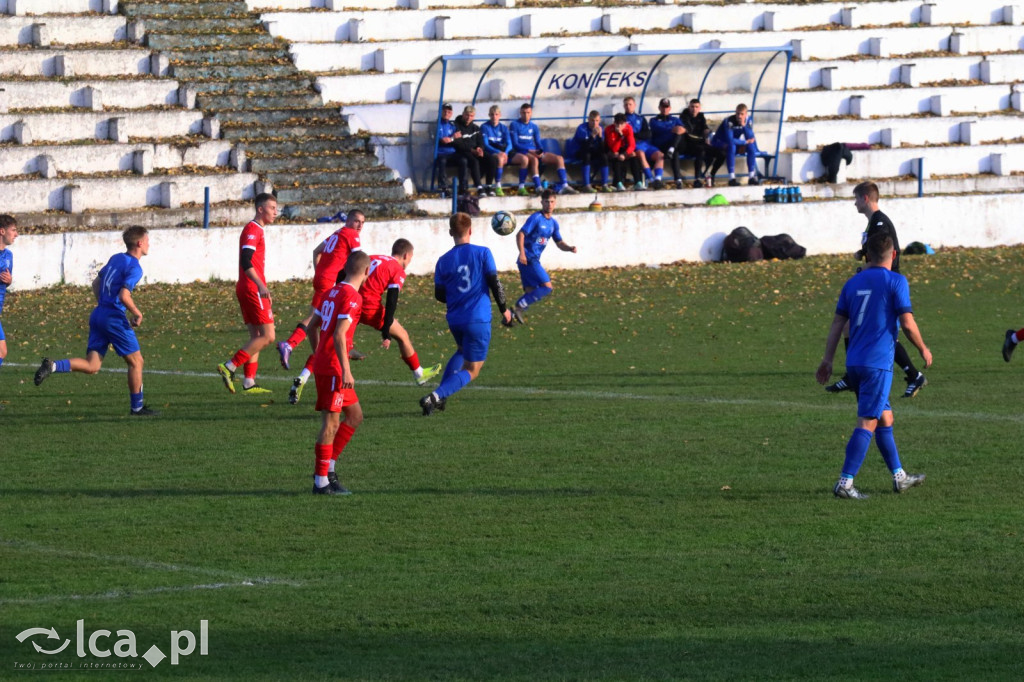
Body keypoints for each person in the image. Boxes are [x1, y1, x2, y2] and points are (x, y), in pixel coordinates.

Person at [816, 232, 932, 499]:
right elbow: (907, 322)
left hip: (855, 362)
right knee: (867, 422)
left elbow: (837, 324)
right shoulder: (896, 281)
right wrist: (923, 348)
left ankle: (899, 477)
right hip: (877, 365)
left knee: (884, 417)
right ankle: (845, 483)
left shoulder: (853, 282)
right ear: (893, 254)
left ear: (867, 255)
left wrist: (827, 360)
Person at [34, 226, 158, 416]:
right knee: (136, 362)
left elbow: (96, 283)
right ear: (140, 243)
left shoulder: (116, 258)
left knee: (92, 366)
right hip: (114, 318)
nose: (150, 244)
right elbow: (124, 295)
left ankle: (53, 366)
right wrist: (137, 313)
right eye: (148, 240)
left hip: (98, 314)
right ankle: (137, 408)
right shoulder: (134, 267)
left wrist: (103, 304)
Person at [825, 182, 927, 398]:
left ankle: (913, 374)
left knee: (883, 333)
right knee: (850, 326)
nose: (854, 204)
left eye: (855, 199)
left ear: (865, 199)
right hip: (877, 281)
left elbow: (884, 255)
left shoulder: (879, 223)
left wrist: (864, 269)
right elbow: (875, 250)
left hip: (884, 284)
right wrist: (861, 254)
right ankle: (853, 376)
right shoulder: (874, 223)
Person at [419, 212, 513, 416]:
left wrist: (456, 297)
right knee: (472, 369)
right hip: (477, 318)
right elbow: (494, 282)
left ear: (451, 232)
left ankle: (441, 397)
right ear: (470, 230)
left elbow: (439, 294)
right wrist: (504, 308)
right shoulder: (483, 253)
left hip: (455, 319)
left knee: (462, 350)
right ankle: (434, 397)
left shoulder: (443, 261)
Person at [278, 210, 366, 404]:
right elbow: (357, 260)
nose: (359, 226)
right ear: (348, 220)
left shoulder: (337, 234)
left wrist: (322, 273)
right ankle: (290, 344)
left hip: (321, 278)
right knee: (320, 319)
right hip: (331, 281)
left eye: (362, 223)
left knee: (320, 322)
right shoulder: (352, 235)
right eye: (356, 221)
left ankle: (315, 359)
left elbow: (316, 251)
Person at [309, 251, 371, 495]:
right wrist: (346, 369)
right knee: (331, 422)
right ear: (366, 272)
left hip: (329, 364)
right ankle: (321, 482)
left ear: (345, 268)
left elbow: (312, 327)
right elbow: (338, 334)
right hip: (335, 370)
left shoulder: (330, 292)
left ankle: (328, 469)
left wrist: (319, 354)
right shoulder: (353, 297)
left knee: (354, 416)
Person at [217, 193, 278, 395]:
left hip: (246, 287)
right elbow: (246, 260)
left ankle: (249, 382)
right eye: (272, 208)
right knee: (269, 336)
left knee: (257, 336)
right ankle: (230, 366)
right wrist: (260, 285)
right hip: (252, 288)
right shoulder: (253, 229)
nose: (275, 212)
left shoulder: (256, 229)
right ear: (260, 209)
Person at [357, 238, 441, 385]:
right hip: (369, 307)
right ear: (406, 256)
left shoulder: (374, 258)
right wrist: (386, 329)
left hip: (352, 301)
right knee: (402, 335)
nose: (409, 262)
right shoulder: (397, 269)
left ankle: (307, 373)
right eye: (410, 258)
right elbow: (392, 299)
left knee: (334, 337)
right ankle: (419, 374)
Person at [510, 189, 577, 323]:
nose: (549, 205)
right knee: (547, 287)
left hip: (530, 260)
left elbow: (559, 243)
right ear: (542, 202)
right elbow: (520, 234)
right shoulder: (536, 218)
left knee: (531, 291)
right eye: (546, 202)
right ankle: (517, 307)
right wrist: (522, 253)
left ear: (555, 203)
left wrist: (569, 248)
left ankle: (509, 317)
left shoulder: (553, 223)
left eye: (552, 202)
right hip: (529, 259)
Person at [508, 102, 577, 196]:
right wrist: (531, 151)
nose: (526, 115)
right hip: (523, 151)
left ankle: (565, 185)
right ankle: (538, 187)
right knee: (534, 160)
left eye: (528, 112)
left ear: (531, 113)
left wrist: (540, 151)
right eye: (523, 112)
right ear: (520, 113)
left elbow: (538, 142)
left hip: (534, 151)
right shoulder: (514, 124)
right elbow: (515, 144)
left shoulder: (534, 126)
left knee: (559, 158)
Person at [711, 103, 763, 186]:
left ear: (746, 114)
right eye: (737, 113)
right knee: (732, 146)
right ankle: (732, 178)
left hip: (735, 142)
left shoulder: (748, 120)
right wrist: (744, 142)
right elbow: (730, 139)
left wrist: (744, 125)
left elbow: (749, 137)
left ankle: (751, 177)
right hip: (720, 143)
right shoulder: (729, 121)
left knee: (751, 146)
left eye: (742, 114)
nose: (739, 116)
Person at [678, 98, 724, 188]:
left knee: (722, 153)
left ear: (699, 108)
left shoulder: (701, 116)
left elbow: (704, 127)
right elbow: (688, 131)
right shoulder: (684, 117)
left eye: (696, 107)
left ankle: (712, 174)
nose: (694, 109)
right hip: (689, 144)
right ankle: (697, 179)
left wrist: (708, 131)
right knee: (701, 151)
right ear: (689, 107)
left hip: (700, 143)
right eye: (692, 107)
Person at [569, 110, 611, 193]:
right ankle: (586, 185)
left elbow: (602, 148)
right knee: (586, 154)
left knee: (604, 156)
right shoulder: (582, 128)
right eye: (592, 120)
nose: (595, 123)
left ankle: (604, 185)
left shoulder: (601, 129)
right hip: (579, 151)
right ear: (588, 119)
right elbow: (585, 146)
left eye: (597, 121)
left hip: (592, 151)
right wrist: (593, 135)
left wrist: (599, 137)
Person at [648, 98, 686, 190]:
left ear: (670, 108)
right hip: (659, 146)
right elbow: (658, 128)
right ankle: (663, 179)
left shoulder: (674, 119)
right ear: (659, 108)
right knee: (673, 151)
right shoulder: (654, 120)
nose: (665, 109)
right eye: (663, 107)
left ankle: (678, 180)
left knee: (675, 150)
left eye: (667, 107)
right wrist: (672, 129)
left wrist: (682, 129)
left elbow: (683, 129)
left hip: (672, 145)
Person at [622, 96, 659, 189]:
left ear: (634, 105)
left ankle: (658, 178)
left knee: (660, 155)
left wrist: (635, 135)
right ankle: (651, 179)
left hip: (645, 144)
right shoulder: (622, 119)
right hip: (633, 145)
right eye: (626, 105)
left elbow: (647, 133)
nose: (628, 106)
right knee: (641, 155)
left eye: (630, 104)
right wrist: (634, 136)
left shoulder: (641, 118)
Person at [454, 105, 489, 196]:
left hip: (474, 151)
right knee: (474, 161)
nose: (469, 118)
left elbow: (481, 141)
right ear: (463, 114)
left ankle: (490, 186)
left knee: (492, 159)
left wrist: (480, 149)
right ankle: (479, 186)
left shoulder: (476, 128)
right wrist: (472, 150)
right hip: (462, 152)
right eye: (467, 115)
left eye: (471, 116)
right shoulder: (456, 126)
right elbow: (459, 144)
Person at [604, 113, 643, 192]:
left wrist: (625, 154)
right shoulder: (609, 130)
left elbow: (632, 145)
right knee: (616, 157)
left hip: (624, 150)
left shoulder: (628, 128)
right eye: (618, 124)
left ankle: (638, 182)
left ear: (625, 123)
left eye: (622, 124)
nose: (620, 126)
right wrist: (620, 135)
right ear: (614, 123)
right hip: (612, 150)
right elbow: (614, 149)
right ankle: (618, 183)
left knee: (634, 156)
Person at [479, 105, 511, 196]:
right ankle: (498, 185)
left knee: (524, 160)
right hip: (490, 151)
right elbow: (486, 144)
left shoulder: (503, 128)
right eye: (492, 114)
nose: (494, 117)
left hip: (502, 151)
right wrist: (499, 152)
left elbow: (509, 143)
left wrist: (506, 153)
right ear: (489, 115)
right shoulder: (484, 127)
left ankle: (522, 186)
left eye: (496, 114)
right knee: (500, 159)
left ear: (500, 115)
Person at [0, 214, 18, 371]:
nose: (16, 234)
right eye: (13, 230)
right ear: (2, 231)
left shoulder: (8, 256)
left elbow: (6, 282)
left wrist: (9, 280)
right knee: (1, 351)